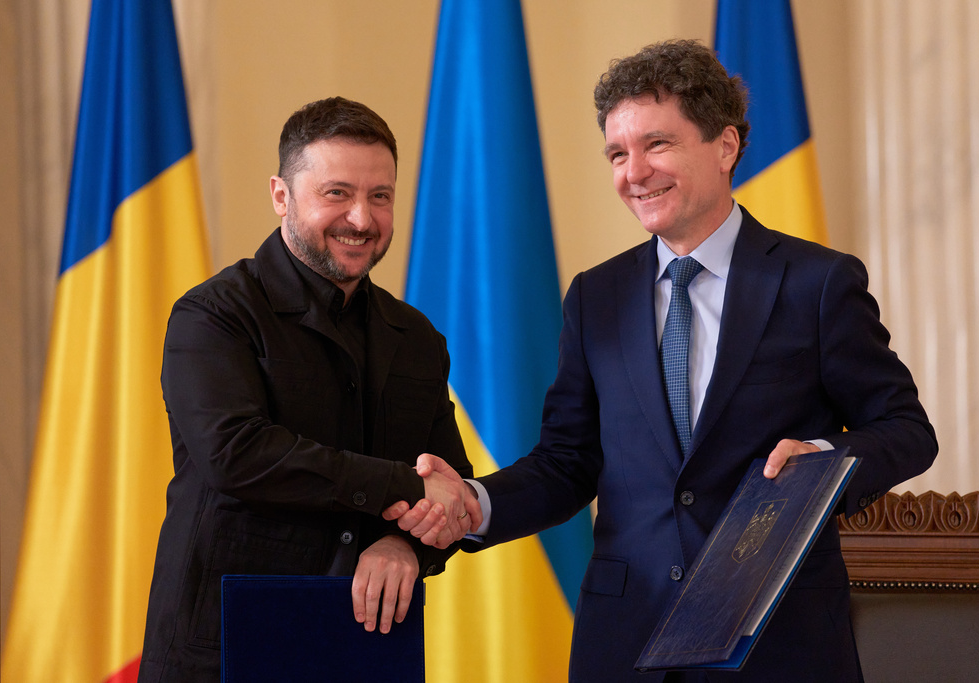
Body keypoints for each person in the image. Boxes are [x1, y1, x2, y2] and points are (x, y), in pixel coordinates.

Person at [386, 40, 938, 682]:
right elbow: (567, 463)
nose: (635, 172)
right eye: (618, 154)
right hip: (626, 644)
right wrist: (474, 502)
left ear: (725, 146)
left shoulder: (816, 283)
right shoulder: (596, 296)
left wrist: (822, 460)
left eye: (657, 144)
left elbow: (907, 430)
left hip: (777, 643)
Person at [138, 96, 481, 682]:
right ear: (281, 196)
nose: (362, 219)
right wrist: (401, 486)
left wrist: (407, 547)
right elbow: (237, 455)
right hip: (223, 646)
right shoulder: (213, 315)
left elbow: (450, 488)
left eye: (380, 196)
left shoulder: (417, 337)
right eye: (336, 193)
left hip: (369, 645)